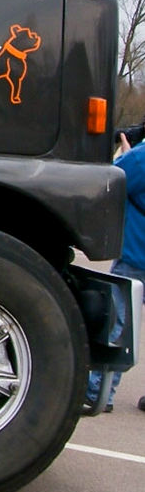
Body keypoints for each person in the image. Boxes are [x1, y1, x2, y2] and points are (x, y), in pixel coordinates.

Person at [85, 131, 145, 413]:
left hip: (136, 255)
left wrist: (125, 154)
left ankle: (100, 391)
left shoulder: (140, 158)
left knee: (119, 327)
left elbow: (111, 181)